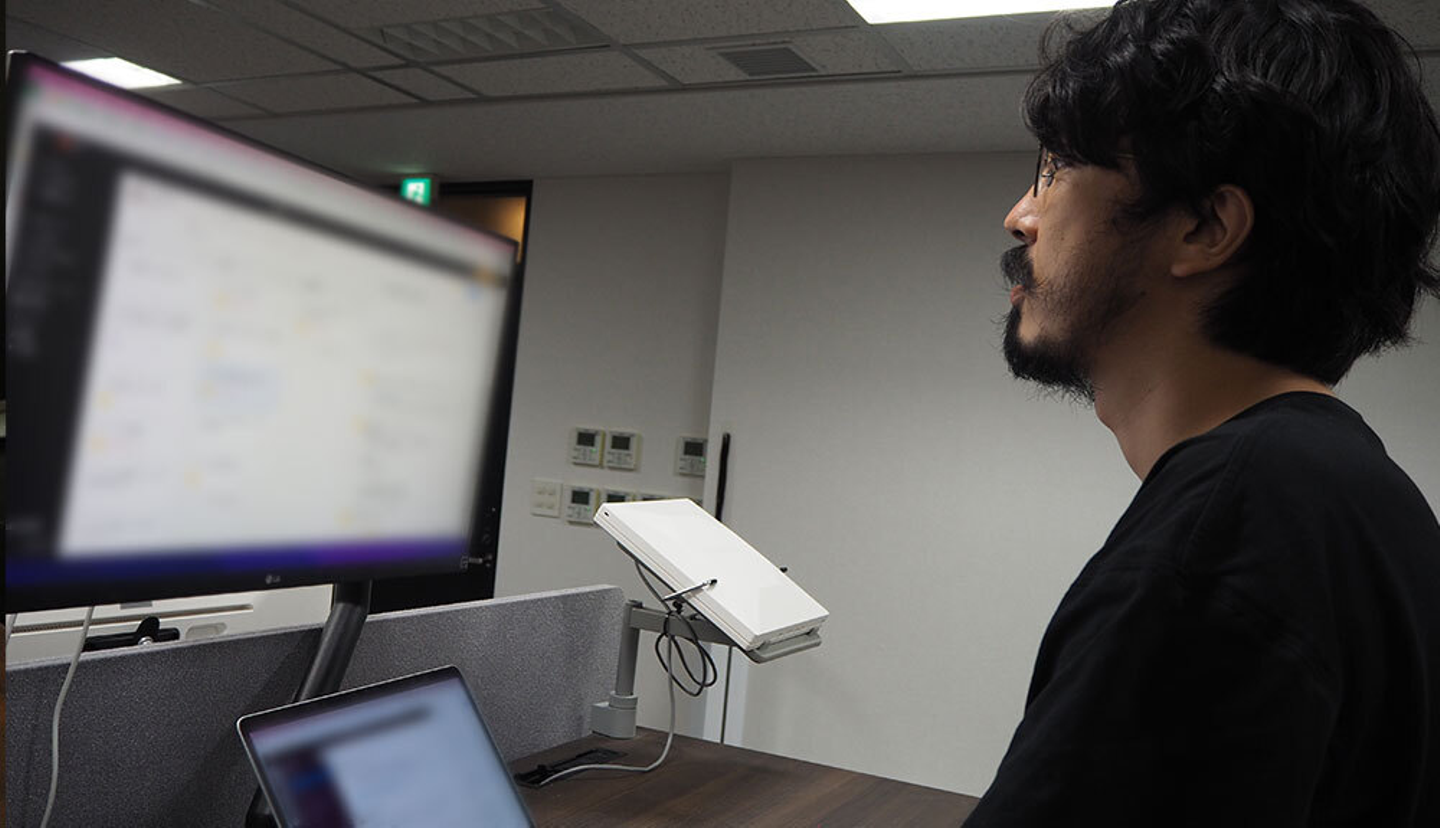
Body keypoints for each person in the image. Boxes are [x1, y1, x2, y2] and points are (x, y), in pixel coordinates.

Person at [966, 0, 1440, 825]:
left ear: (1205, 227)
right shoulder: (1355, 495)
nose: (1020, 216)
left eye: (1059, 168)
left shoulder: (1228, 529)